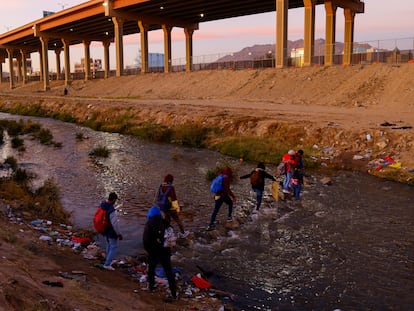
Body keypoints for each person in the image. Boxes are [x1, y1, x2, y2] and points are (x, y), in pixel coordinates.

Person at [143, 205, 178, 303]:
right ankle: (174, 293)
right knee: (169, 272)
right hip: (165, 252)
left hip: (154, 252)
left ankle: (151, 287)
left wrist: (149, 252)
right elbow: (171, 240)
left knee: (151, 269)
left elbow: (145, 241)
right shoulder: (166, 223)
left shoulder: (149, 224)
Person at [156, 174, 189, 238]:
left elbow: (158, 196)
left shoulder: (161, 186)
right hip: (170, 207)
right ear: (171, 180)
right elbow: (174, 199)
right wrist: (177, 209)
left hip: (163, 206)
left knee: (167, 220)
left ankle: (167, 233)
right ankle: (183, 233)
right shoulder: (171, 187)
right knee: (177, 220)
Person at [100, 192, 123, 270]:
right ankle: (107, 264)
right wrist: (119, 234)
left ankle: (108, 258)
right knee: (114, 246)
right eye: (115, 200)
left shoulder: (103, 204)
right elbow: (115, 224)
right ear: (113, 199)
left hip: (104, 229)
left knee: (108, 244)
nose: (115, 201)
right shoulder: (111, 209)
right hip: (111, 231)